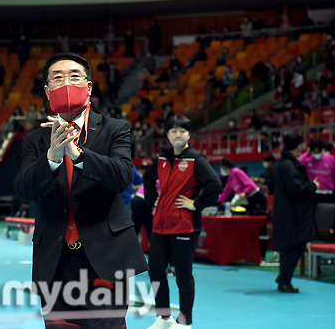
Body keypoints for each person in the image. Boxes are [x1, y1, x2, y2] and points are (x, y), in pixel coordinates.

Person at [13, 52, 147, 328]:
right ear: (47, 91)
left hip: (105, 256)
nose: (66, 83)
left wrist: (75, 152)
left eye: (74, 76)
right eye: (57, 78)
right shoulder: (35, 140)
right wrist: (51, 156)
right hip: (55, 258)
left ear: (89, 87)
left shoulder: (114, 129)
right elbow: (25, 189)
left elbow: (122, 176)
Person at [144, 115, 221, 329]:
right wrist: (153, 199)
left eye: (182, 131)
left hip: (185, 226)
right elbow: (149, 179)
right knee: (156, 270)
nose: (178, 134)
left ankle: (184, 321)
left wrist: (196, 204)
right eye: (173, 131)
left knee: (183, 274)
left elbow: (215, 185)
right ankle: (163, 317)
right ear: (168, 134)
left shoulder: (196, 159)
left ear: (189, 134)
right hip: (160, 225)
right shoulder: (161, 159)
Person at [273, 133, 319, 293]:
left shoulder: (285, 164)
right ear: (297, 146)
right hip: (293, 214)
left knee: (291, 246)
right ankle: (285, 280)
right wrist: (312, 186)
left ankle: (284, 276)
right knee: (295, 246)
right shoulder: (289, 165)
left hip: (289, 212)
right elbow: (296, 188)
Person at [298, 138, 335, 206]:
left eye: (318, 152)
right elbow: (297, 162)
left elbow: (334, 175)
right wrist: (307, 153)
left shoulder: (331, 159)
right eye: (314, 152)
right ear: (311, 151)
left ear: (322, 150)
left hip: (329, 194)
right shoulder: (307, 161)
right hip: (314, 194)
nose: (316, 154)